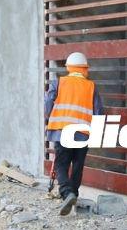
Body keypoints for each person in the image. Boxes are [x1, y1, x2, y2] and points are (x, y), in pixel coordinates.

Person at [44, 51, 103, 216]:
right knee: (77, 165)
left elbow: (48, 102)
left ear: (69, 68)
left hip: (62, 130)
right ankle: (73, 195)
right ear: (85, 69)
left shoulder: (59, 83)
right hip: (83, 133)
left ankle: (66, 192)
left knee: (61, 164)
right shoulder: (91, 86)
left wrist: (50, 115)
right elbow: (99, 112)